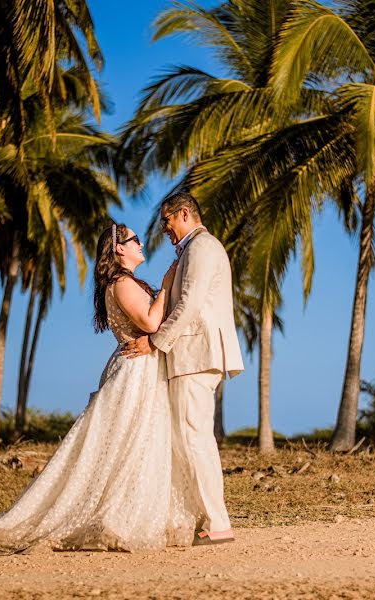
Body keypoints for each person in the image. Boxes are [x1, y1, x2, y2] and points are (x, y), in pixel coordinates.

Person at [0, 223, 196, 555]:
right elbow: (152, 323)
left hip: (141, 369)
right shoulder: (121, 283)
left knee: (137, 445)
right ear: (119, 249)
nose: (141, 243)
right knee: (125, 444)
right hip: (134, 372)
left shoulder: (126, 282)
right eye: (134, 239)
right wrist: (168, 285)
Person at [123, 191, 245, 546]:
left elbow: (190, 305)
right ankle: (205, 519)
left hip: (196, 354)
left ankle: (218, 522)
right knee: (188, 437)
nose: (164, 229)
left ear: (186, 214)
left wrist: (155, 341)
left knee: (194, 437)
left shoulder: (202, 248)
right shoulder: (192, 250)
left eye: (167, 220)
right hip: (190, 356)